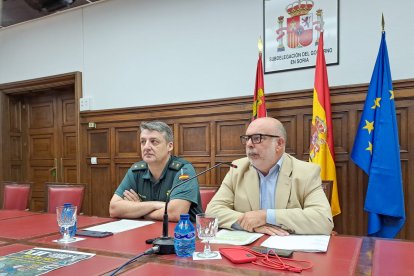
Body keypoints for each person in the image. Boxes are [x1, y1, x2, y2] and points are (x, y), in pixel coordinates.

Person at [206, 117, 333, 235]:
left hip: (288, 249)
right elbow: (212, 211)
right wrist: (250, 223)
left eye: (257, 138)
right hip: (248, 248)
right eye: (247, 138)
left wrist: (266, 216)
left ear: (279, 143)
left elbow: (323, 220)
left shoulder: (306, 172)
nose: (249, 144)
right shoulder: (238, 168)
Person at [109, 121, 202, 222]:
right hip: (145, 231)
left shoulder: (183, 170)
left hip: (183, 234)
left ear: (169, 146)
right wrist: (156, 205)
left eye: (154, 141)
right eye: (143, 142)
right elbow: (114, 209)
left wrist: (139, 211)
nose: (146, 147)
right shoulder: (136, 170)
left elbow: (175, 213)